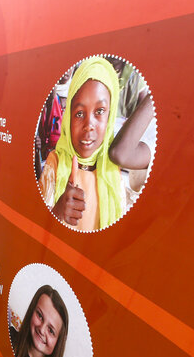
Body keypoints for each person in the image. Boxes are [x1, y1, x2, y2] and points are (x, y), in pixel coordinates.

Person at [38, 56, 152, 231]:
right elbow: (35, 231)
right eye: (79, 113)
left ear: (111, 116)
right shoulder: (55, 164)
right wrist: (56, 214)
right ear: (68, 116)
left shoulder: (112, 170)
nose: (89, 125)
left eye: (99, 111)